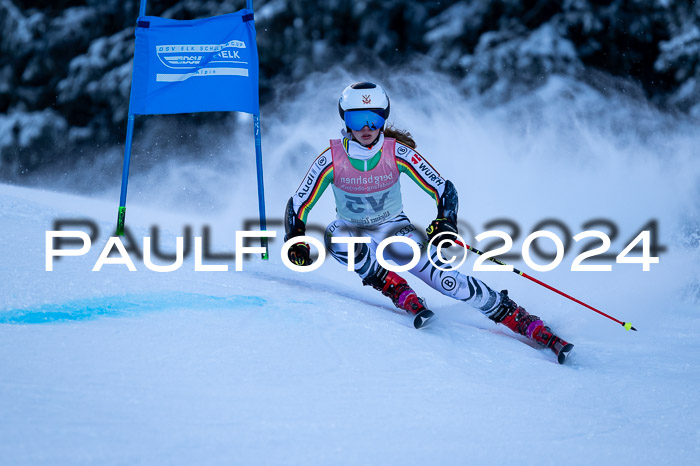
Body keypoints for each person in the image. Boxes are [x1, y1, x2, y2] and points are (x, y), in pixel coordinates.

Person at [283, 82, 574, 364]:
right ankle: (395, 288)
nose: (367, 128)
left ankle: (518, 317)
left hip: (394, 229)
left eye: (374, 118)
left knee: (446, 281)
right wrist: (295, 237)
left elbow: (443, 188)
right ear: (345, 121)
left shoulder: (397, 152)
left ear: (383, 119)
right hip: (353, 230)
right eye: (358, 119)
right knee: (336, 235)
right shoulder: (332, 159)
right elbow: (299, 202)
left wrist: (445, 221)